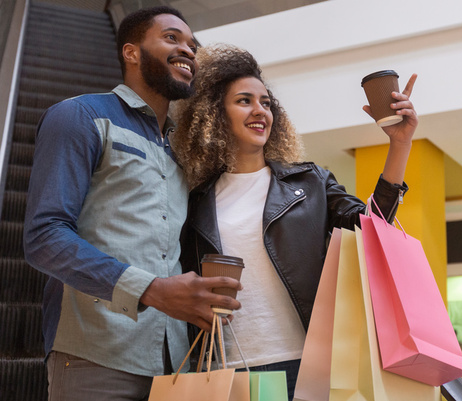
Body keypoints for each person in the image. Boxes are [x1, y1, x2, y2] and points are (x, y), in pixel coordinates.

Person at [173, 44, 418, 399]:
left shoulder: (311, 182)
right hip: (224, 369)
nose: (260, 111)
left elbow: (372, 227)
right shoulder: (193, 201)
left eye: (266, 103)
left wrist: (400, 145)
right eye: (244, 101)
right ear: (214, 114)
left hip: (306, 365)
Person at [23, 7, 242, 401]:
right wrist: (151, 289)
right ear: (131, 52)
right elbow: (44, 238)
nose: (188, 50)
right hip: (95, 353)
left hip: (175, 365)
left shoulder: (183, 150)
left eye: (192, 45)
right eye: (172, 38)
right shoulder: (80, 116)